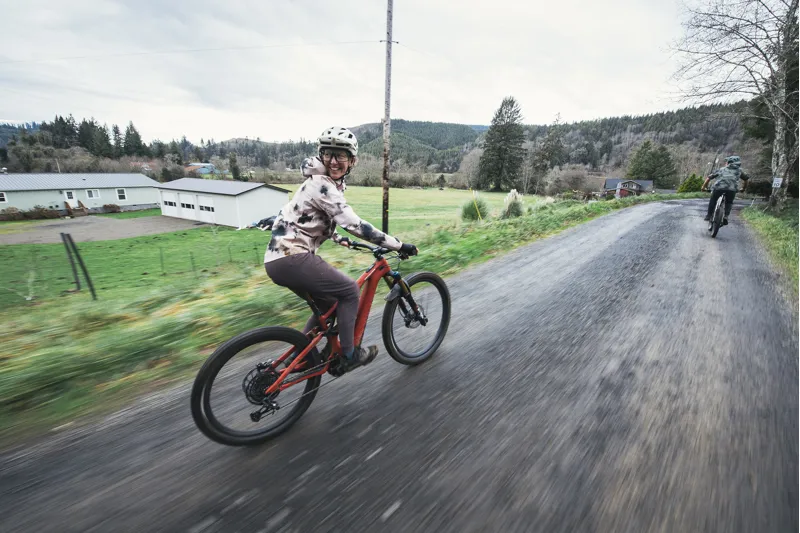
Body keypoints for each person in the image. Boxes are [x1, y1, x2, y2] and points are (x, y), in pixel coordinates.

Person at [264, 127, 418, 370]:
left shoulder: (322, 184)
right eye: (328, 154)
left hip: (279, 261)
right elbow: (354, 224)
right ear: (321, 156)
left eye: (340, 155)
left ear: (352, 160)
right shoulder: (321, 184)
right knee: (348, 291)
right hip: (292, 256)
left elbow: (317, 221)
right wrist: (397, 244)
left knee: (329, 305)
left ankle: (303, 357)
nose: (334, 161)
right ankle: (349, 355)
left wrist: (344, 241)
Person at [702, 155, 750, 225]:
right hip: (732, 189)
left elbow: (709, 178)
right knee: (729, 202)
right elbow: (746, 180)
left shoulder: (722, 169)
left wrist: (703, 187)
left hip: (718, 188)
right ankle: (726, 216)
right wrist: (743, 188)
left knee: (713, 199)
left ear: (728, 162)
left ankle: (708, 215)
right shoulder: (739, 171)